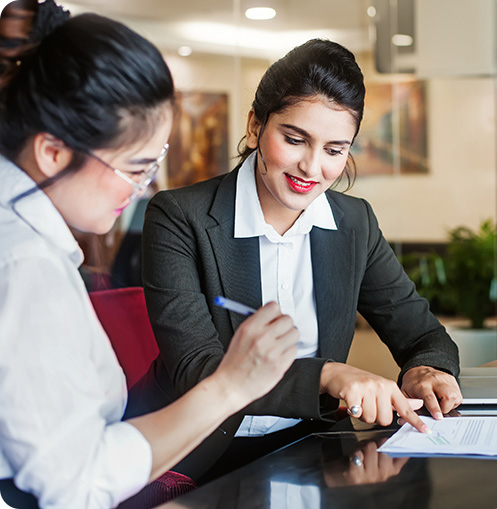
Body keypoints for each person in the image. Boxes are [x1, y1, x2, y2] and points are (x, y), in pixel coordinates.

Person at [0, 1, 298, 508]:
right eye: (135, 168)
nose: (142, 189)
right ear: (53, 152)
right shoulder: (25, 266)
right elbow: (76, 483)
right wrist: (230, 387)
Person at [139, 38, 463, 482]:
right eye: (295, 140)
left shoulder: (354, 223)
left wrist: (427, 370)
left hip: (312, 448)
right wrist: (328, 375)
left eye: (334, 150)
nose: (311, 167)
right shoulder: (179, 216)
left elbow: (422, 334)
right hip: (196, 454)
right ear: (255, 126)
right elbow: (197, 370)